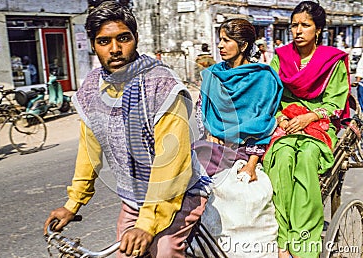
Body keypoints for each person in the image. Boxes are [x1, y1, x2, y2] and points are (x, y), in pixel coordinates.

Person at [43, 2, 210, 258]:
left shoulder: (161, 85)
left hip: (180, 194)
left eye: (123, 38)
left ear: (136, 38)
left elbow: (172, 162)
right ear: (92, 44)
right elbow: (89, 151)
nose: (115, 49)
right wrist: (72, 204)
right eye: (104, 41)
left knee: (164, 251)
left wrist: (146, 224)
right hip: (134, 199)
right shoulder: (91, 88)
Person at [263, 1, 350, 257]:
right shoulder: (281, 57)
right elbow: (271, 95)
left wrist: (309, 116)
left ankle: (302, 244)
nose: (298, 31)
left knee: (308, 159)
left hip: (317, 124)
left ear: (318, 29)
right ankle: (282, 238)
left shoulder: (332, 60)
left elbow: (336, 102)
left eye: (305, 25)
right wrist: (279, 118)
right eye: (294, 25)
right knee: (281, 158)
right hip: (286, 123)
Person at [192, 18, 283, 257]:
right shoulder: (212, 75)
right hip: (214, 146)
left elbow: (263, 122)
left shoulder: (262, 78)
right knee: (186, 179)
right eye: (220, 40)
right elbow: (202, 111)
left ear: (243, 46)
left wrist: (252, 165)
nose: (220, 46)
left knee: (243, 196)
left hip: (246, 150)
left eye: (227, 40)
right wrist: (211, 134)